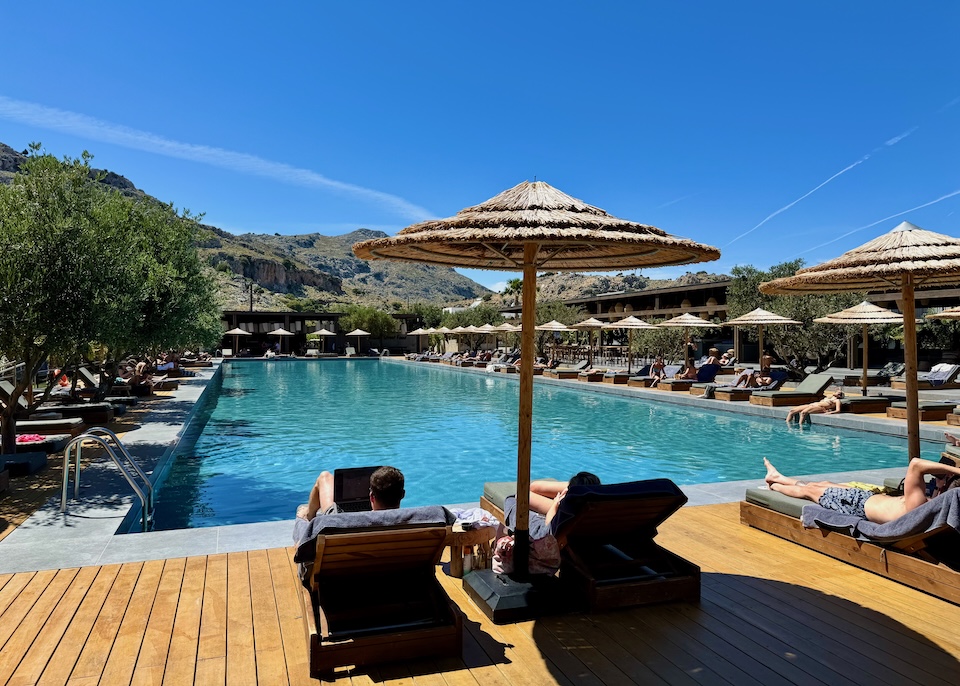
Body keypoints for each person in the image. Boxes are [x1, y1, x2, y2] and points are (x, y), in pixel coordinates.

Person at [762, 456, 960, 524]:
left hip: (855, 504)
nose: (935, 481)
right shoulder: (930, 506)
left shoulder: (917, 505)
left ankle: (776, 485)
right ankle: (778, 477)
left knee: (811, 490)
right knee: (822, 483)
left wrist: (956, 470)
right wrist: (942, 486)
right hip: (864, 499)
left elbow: (916, 464)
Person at [297, 466, 405, 521]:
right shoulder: (415, 521)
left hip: (339, 521)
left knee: (324, 476)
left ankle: (309, 515)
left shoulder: (343, 523)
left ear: (371, 497)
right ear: (402, 494)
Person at [529, 471, 601, 527]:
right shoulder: (607, 506)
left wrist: (555, 505)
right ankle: (578, 486)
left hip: (574, 508)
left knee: (524, 496)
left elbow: (549, 528)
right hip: (588, 497)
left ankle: (576, 487)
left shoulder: (570, 514)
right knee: (533, 487)